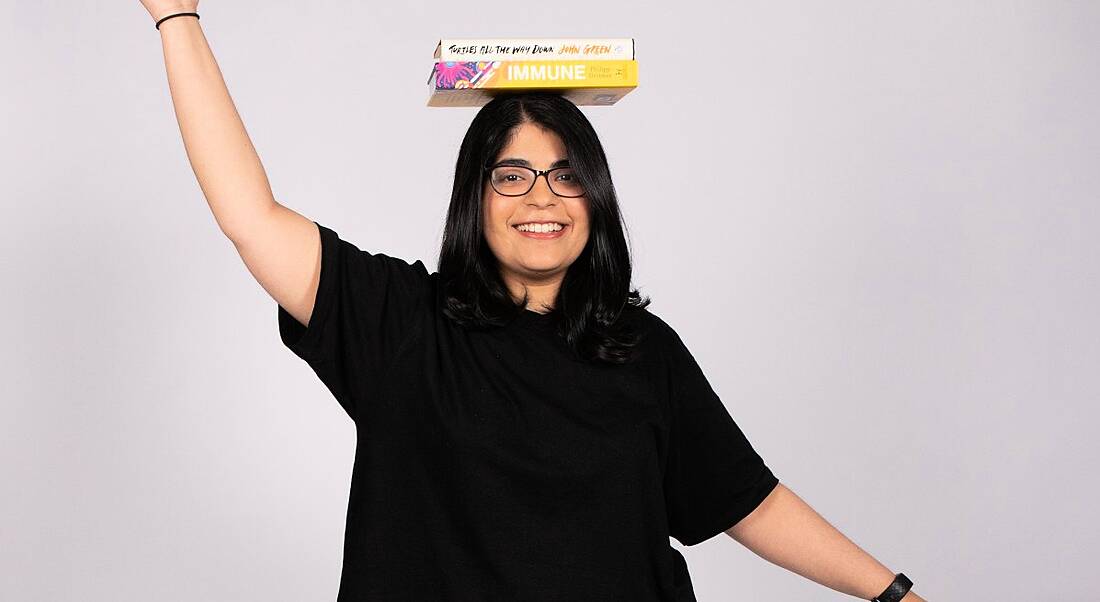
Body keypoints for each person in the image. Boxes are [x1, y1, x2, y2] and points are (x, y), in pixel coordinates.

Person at [139, 3, 927, 601]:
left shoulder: (643, 348)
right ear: (475, 200)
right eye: (511, 175)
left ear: (595, 197)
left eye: (565, 175)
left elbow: (747, 500)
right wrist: (177, 16)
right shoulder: (402, 324)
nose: (540, 198)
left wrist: (893, 594)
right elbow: (250, 217)